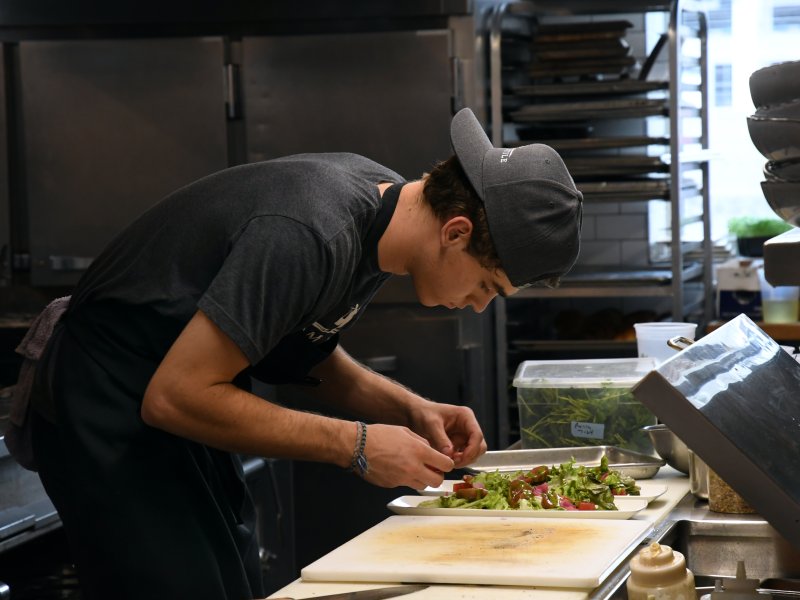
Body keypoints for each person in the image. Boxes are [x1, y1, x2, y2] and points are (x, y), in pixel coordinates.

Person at [13, 107, 582, 599]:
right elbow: (175, 396)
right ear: (456, 233)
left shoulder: (383, 215)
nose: (479, 306)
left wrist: (409, 410)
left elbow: (305, 349)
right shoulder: (312, 230)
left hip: (175, 410)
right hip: (106, 406)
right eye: (488, 286)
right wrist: (357, 445)